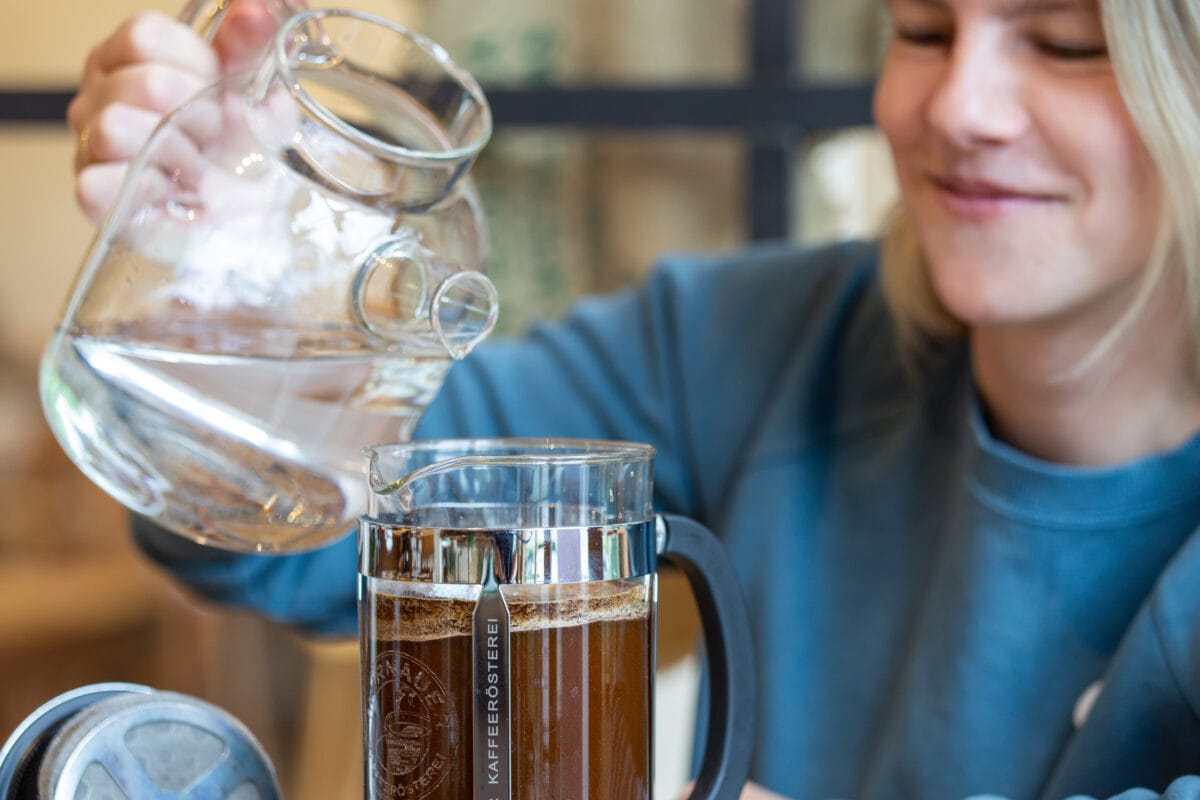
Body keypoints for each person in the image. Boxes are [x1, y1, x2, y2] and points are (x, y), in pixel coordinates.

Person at [66, 0, 1200, 797]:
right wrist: (248, 293)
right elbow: (324, 529)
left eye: (1070, 43)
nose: (960, 107)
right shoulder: (760, 340)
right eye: (923, 31)